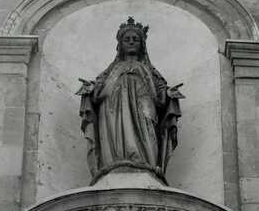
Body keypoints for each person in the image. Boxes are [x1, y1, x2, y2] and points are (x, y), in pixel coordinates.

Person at [77, 17, 184, 183]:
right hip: (114, 108)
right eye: (127, 39)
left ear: (142, 44)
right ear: (120, 44)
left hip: (143, 107)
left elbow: (160, 93)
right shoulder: (111, 70)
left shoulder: (149, 70)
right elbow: (98, 90)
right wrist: (91, 90)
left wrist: (168, 93)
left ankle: (146, 164)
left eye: (136, 39)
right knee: (116, 134)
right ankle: (115, 162)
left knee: (146, 133)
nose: (131, 42)